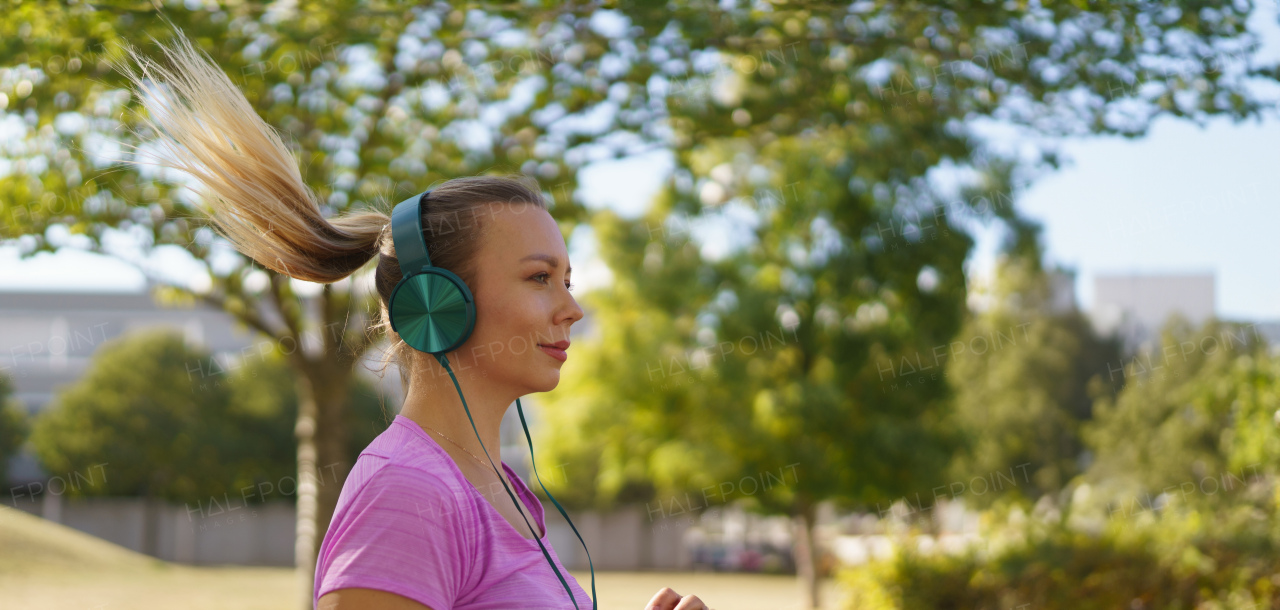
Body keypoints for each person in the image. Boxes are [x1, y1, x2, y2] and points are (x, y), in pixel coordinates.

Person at [112, 29, 709, 610]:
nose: (572, 308)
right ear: (438, 303)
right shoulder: (407, 492)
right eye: (539, 278)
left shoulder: (501, 490)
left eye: (568, 281)